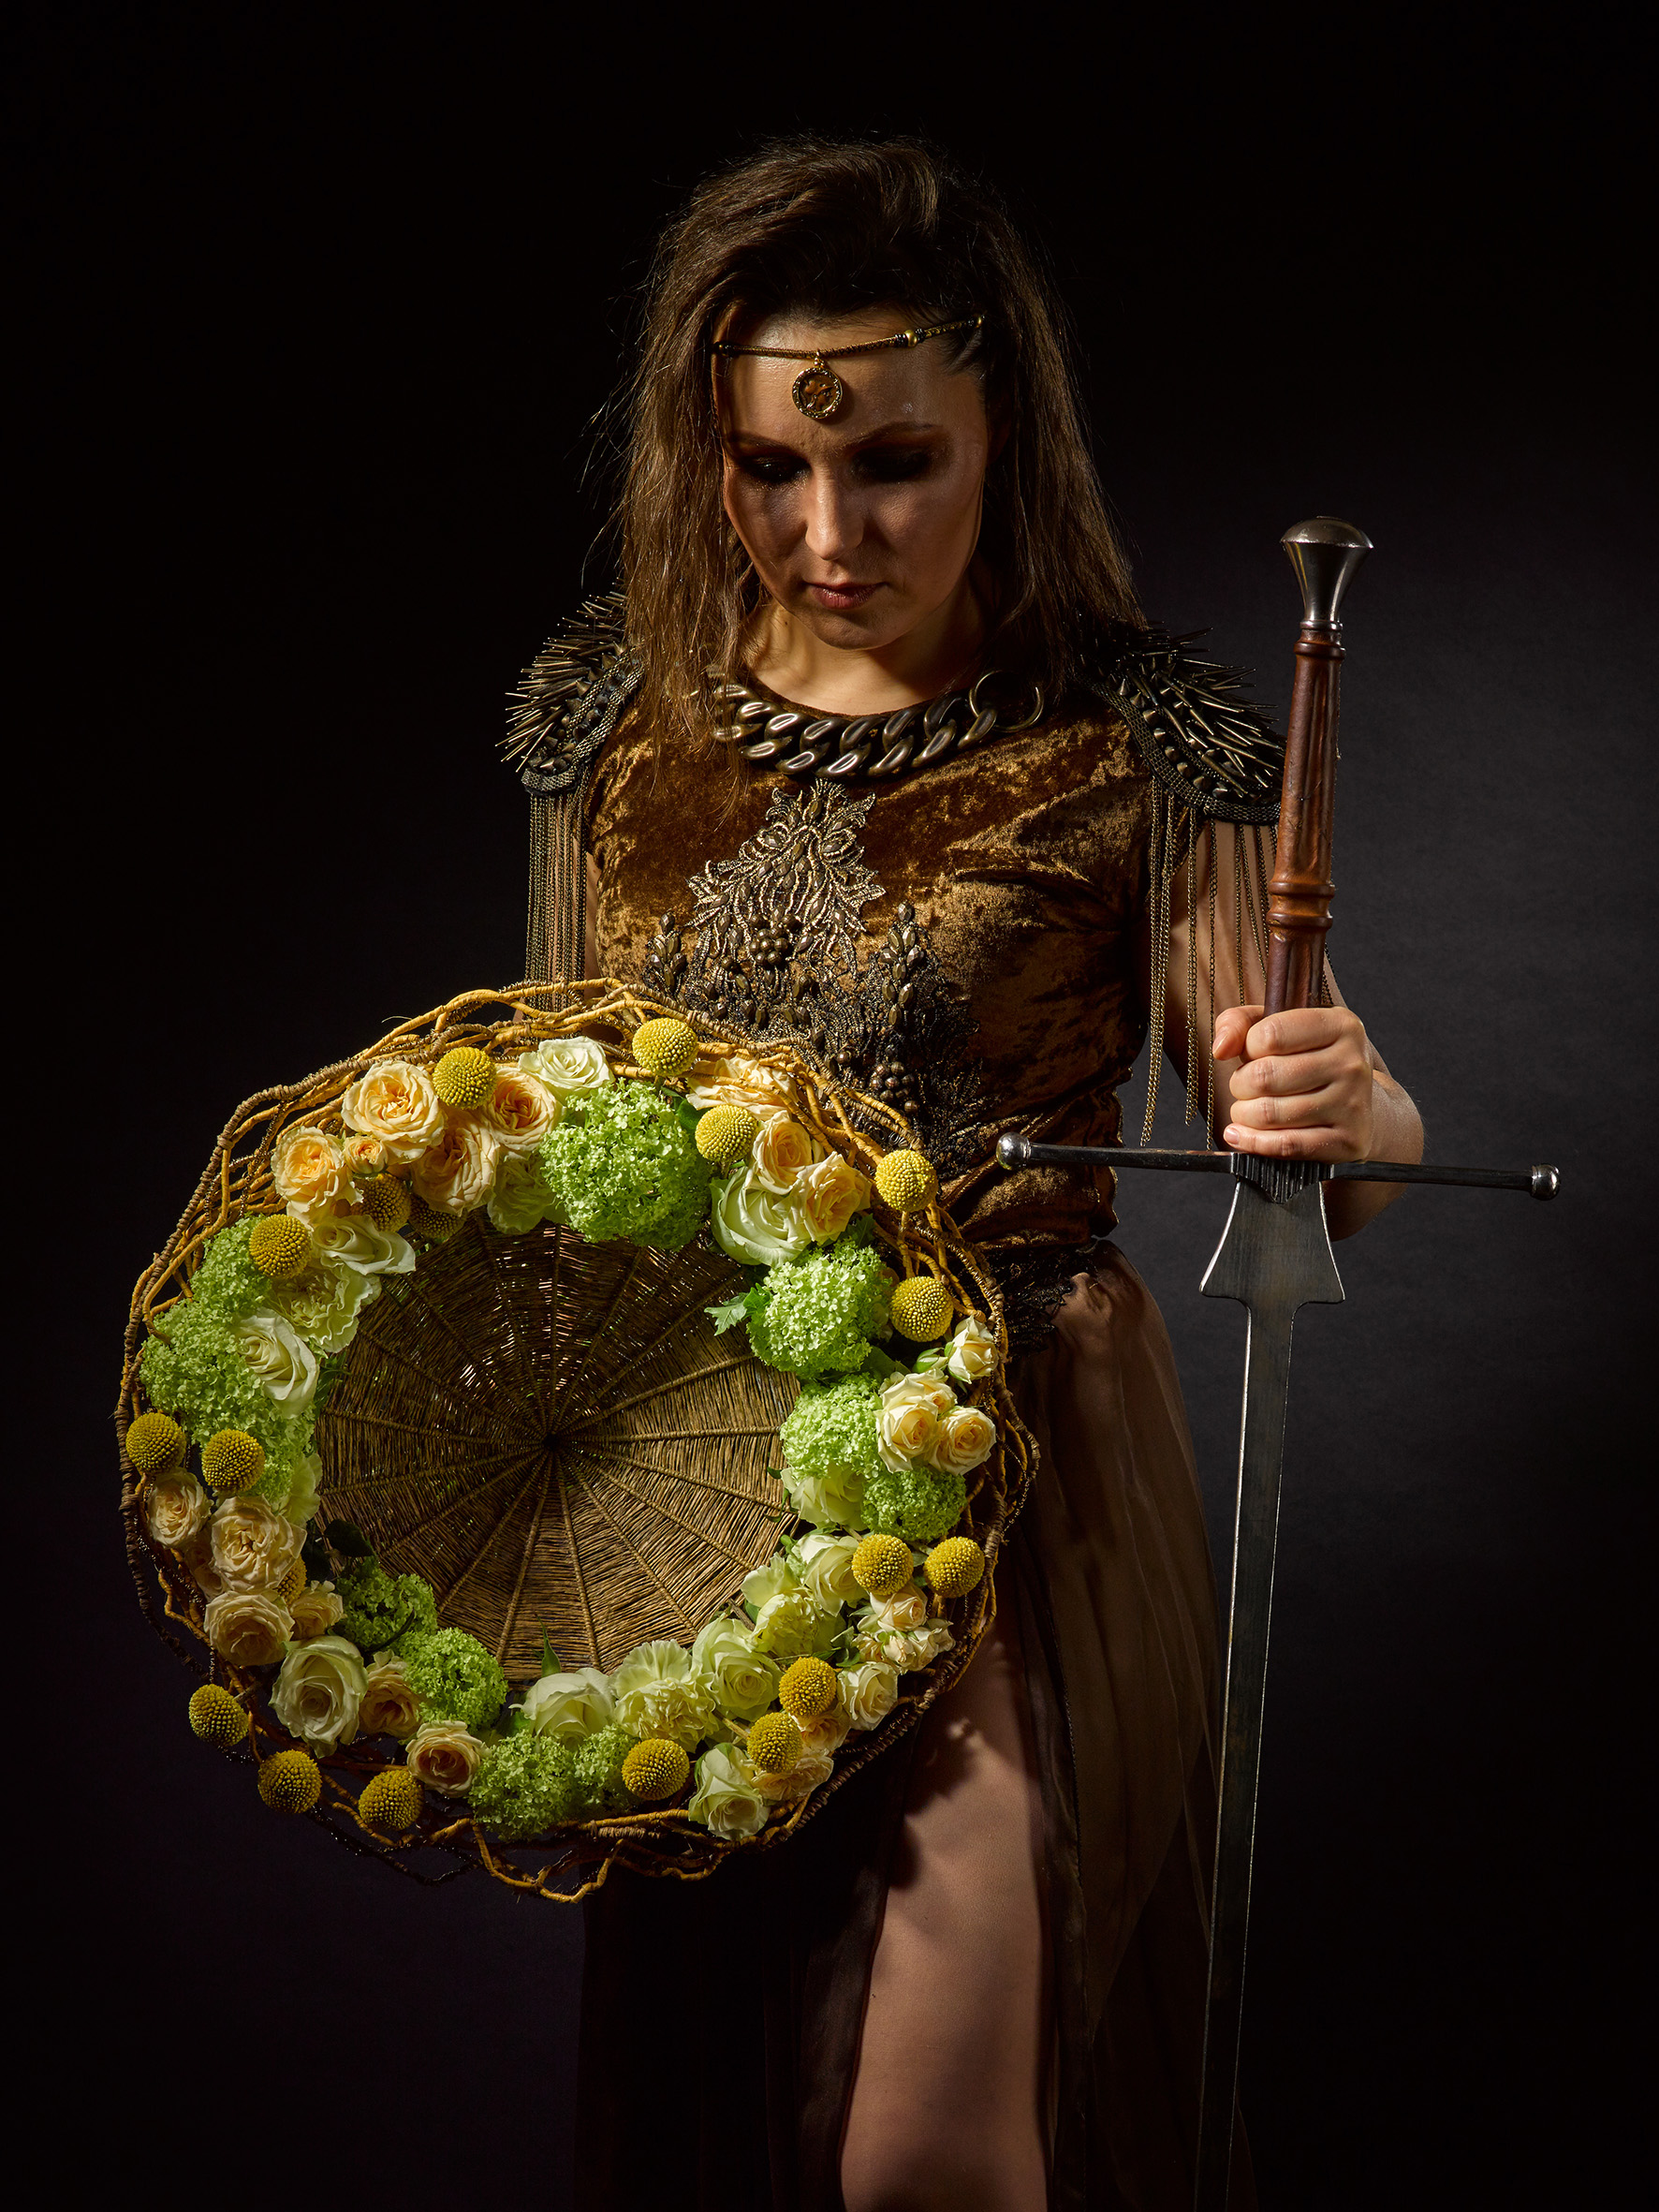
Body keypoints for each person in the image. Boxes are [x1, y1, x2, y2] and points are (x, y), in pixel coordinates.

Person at [508, 138, 1424, 2212]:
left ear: (1003, 424)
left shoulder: (1131, 742)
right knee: (722, 2100)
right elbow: (546, 1145)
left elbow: (1324, 1155)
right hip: (693, 1478)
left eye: (894, 463)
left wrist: (1342, 1099)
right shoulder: (607, 730)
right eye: (768, 467)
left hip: (1008, 1472)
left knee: (928, 2146)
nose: (827, 532)